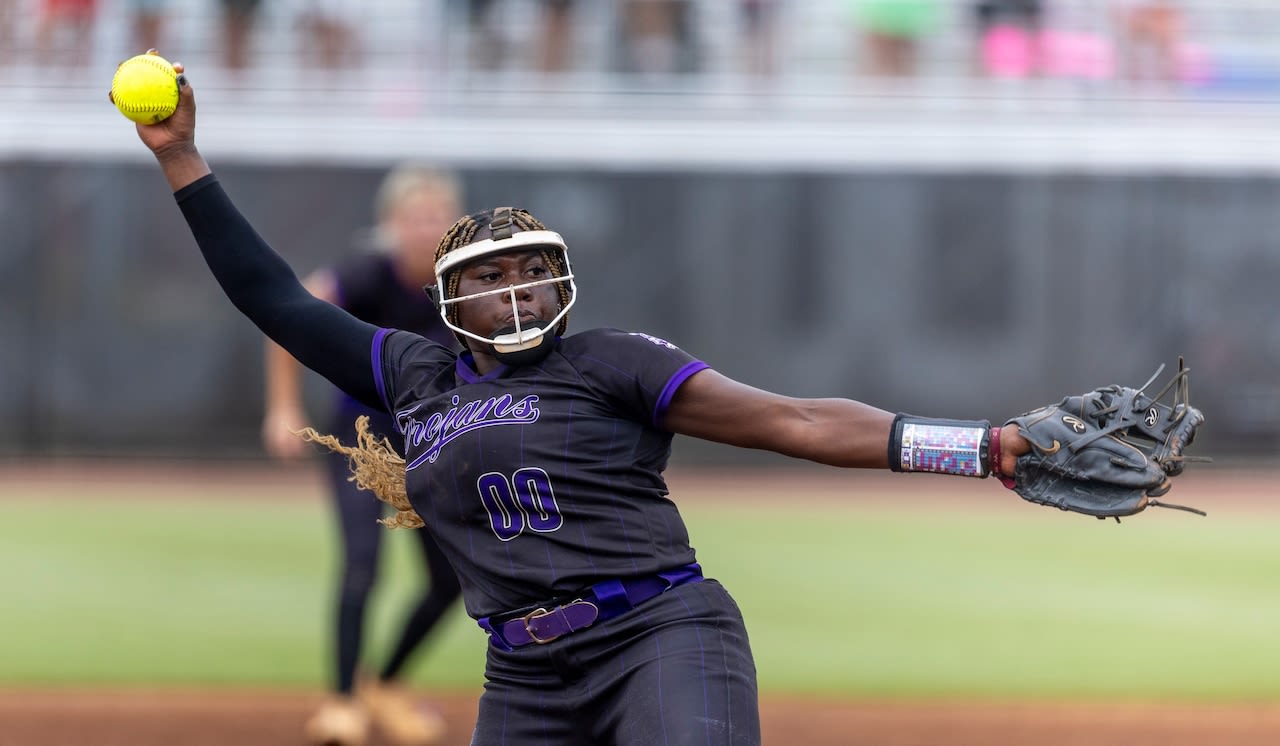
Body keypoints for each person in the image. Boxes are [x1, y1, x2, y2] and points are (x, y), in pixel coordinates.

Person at [127, 54, 1041, 746]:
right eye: (491, 277)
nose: (517, 288)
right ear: (451, 301)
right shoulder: (415, 372)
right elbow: (273, 298)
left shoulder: (613, 362)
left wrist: (982, 446)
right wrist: (182, 157)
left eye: (534, 270)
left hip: (659, 635)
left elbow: (794, 419)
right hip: (522, 673)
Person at [261, 165, 465, 745]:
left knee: (453, 578)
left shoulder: (464, 283)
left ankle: (388, 684)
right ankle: (343, 701)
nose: (427, 228)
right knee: (362, 564)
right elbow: (287, 315)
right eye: (414, 216)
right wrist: (282, 407)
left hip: (431, 436)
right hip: (361, 431)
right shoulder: (363, 276)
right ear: (389, 225)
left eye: (438, 216)